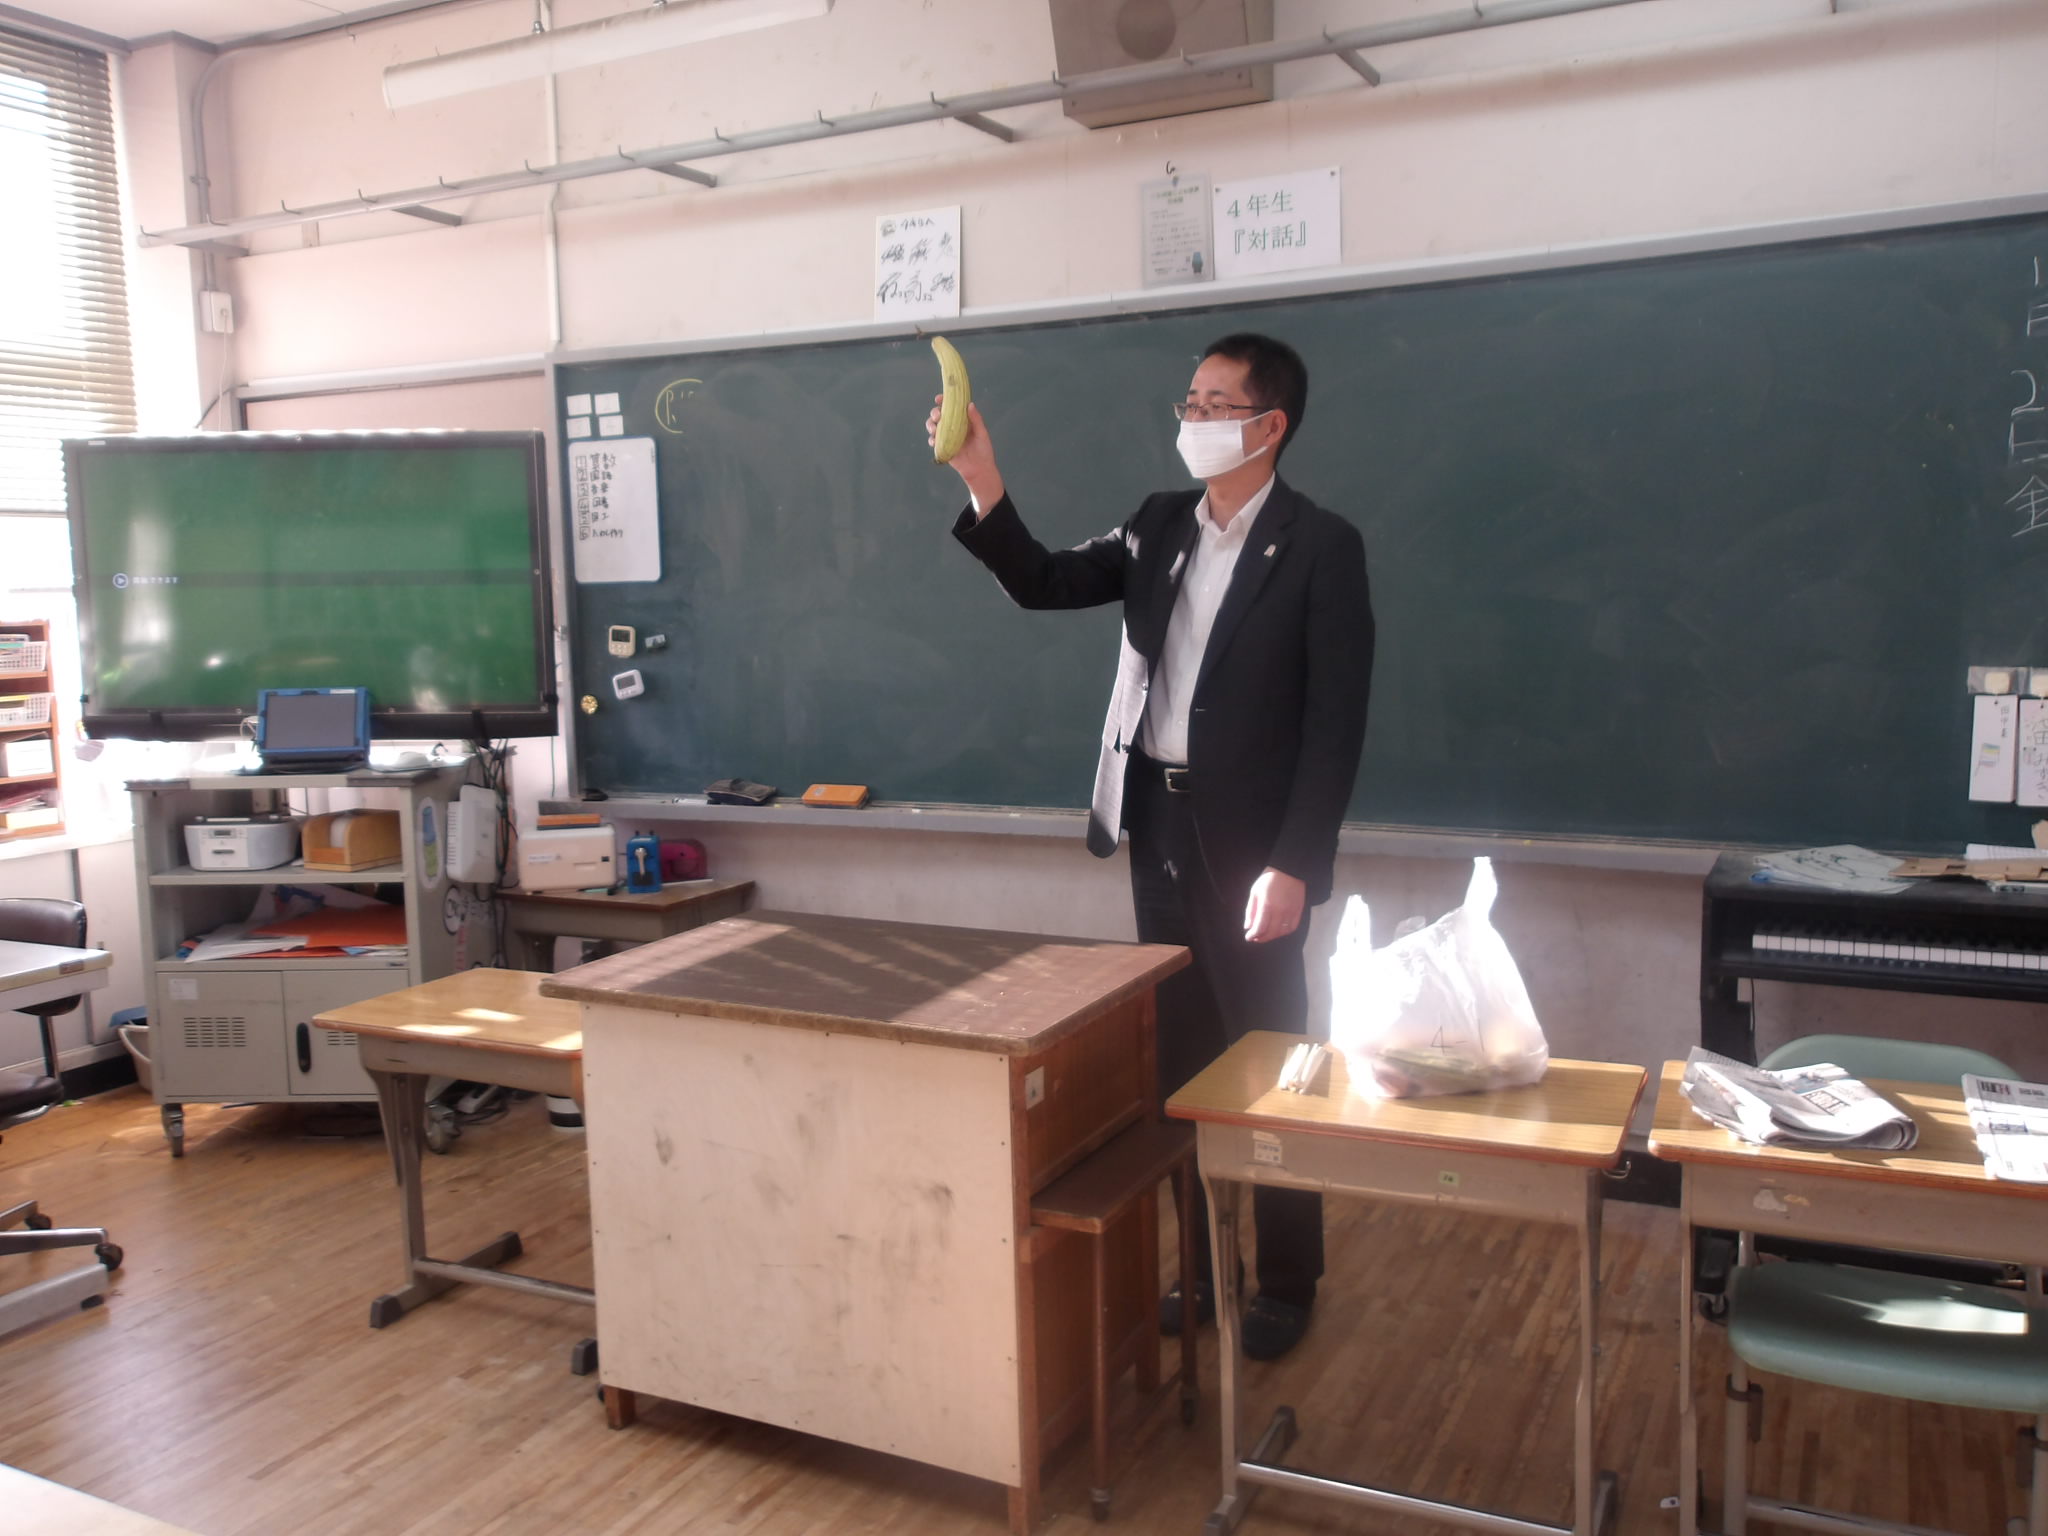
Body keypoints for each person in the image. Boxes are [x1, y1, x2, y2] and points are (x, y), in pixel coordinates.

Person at [933, 331, 1375, 1360]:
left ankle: (1286, 1278)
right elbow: (1043, 581)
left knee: (1271, 1058)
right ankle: (1207, 1266)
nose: (1193, 418)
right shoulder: (1157, 523)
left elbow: (1334, 726)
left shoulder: (1320, 545)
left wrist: (1295, 863)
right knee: (1178, 1061)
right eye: (1189, 401)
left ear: (1269, 425)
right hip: (1159, 826)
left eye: (1215, 404)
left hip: (1256, 845)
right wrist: (981, 478)